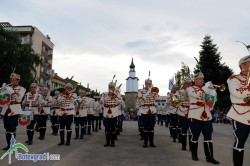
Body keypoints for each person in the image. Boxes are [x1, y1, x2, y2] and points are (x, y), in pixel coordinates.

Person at [186, 71, 219, 164]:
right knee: (194, 136)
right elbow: (196, 94)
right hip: (195, 115)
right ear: (195, 80)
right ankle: (194, 154)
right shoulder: (190, 88)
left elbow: (210, 106)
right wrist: (206, 88)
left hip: (207, 116)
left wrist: (213, 93)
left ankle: (209, 157)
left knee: (208, 137)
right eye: (200, 79)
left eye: (202, 79)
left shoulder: (207, 89)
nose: (202, 80)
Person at [227, 55, 250, 166]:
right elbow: (237, 92)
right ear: (242, 65)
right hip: (240, 114)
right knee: (240, 142)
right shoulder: (233, 78)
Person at [1, 73, 26, 150]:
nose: (11, 81)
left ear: (18, 80)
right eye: (11, 80)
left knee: (12, 128)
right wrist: (2, 91)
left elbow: (19, 99)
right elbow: (2, 99)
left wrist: (11, 91)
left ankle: (12, 145)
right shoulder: (8, 88)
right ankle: (9, 145)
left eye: (13, 80)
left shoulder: (22, 88)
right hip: (6, 109)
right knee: (7, 128)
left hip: (15, 109)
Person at [137, 78, 159, 147]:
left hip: (152, 109)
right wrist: (148, 92)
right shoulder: (140, 91)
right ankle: (145, 142)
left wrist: (154, 93)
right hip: (144, 110)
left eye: (150, 84)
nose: (148, 85)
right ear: (145, 84)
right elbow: (140, 99)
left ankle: (151, 142)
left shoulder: (154, 90)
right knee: (145, 126)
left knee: (152, 127)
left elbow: (157, 99)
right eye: (147, 84)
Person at [100, 80, 122, 147]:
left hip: (114, 112)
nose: (111, 88)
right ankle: (107, 141)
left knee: (113, 128)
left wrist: (114, 96)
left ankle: (112, 142)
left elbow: (120, 102)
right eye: (110, 87)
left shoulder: (117, 94)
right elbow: (101, 102)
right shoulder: (104, 94)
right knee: (107, 128)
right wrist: (107, 97)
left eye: (112, 87)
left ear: (114, 88)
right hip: (106, 112)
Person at [175, 78, 192, 150]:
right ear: (184, 84)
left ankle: (191, 146)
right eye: (186, 83)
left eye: (189, 83)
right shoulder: (179, 92)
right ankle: (183, 145)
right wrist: (182, 98)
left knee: (191, 131)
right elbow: (174, 100)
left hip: (192, 112)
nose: (188, 85)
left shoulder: (193, 91)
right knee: (184, 129)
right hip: (182, 111)